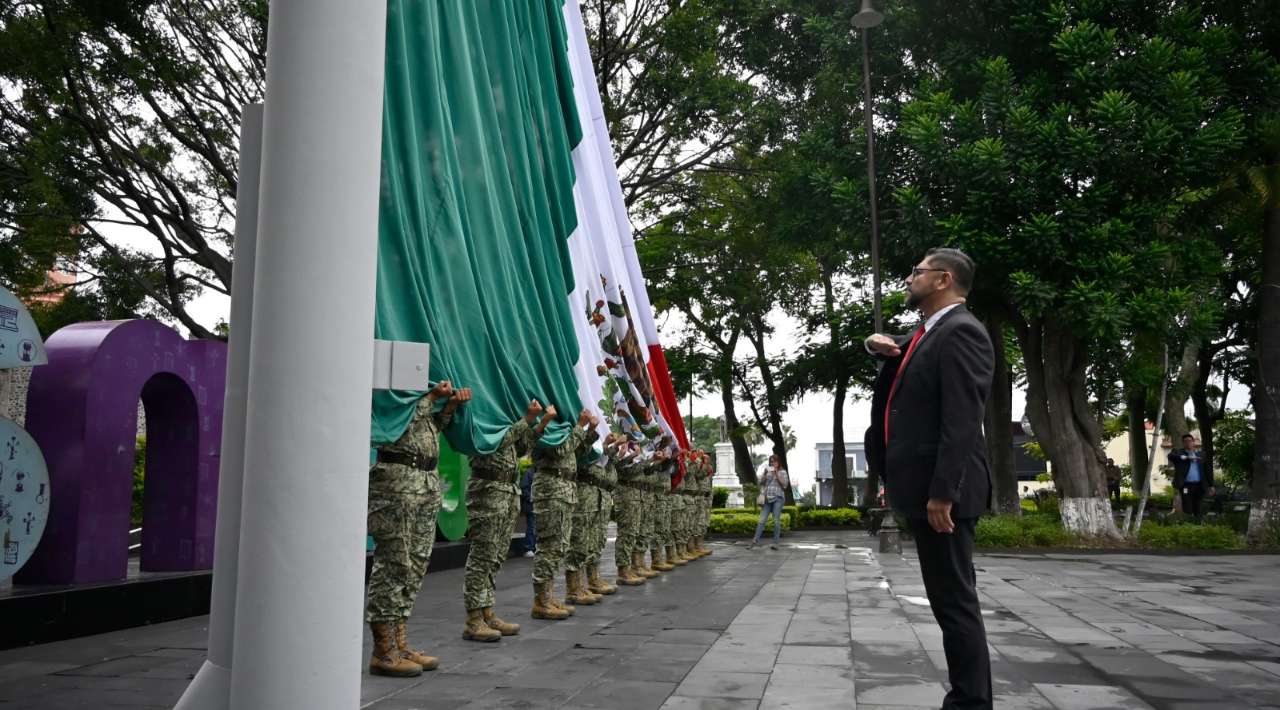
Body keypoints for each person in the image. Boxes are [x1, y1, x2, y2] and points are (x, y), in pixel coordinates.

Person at [864, 247, 994, 710]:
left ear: (942, 280)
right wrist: (874, 346)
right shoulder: (928, 332)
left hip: (944, 495)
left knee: (955, 603)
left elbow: (961, 422)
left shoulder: (960, 333)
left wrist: (943, 493)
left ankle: (970, 703)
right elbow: (901, 353)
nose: (909, 278)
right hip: (925, 489)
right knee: (948, 601)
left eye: (916, 273)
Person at [365, 381, 469, 677]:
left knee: (415, 564)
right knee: (394, 563)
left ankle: (400, 644)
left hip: (424, 482)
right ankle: (383, 651)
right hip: (397, 483)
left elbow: (432, 428)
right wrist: (432, 397)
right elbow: (393, 421)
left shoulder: (422, 394)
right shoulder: (394, 393)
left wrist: (448, 407)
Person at [461, 399, 555, 642]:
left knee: (495, 557)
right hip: (488, 490)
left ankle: (486, 611)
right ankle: (473, 619)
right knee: (483, 556)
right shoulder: (482, 418)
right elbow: (493, 444)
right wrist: (527, 419)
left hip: (506, 491)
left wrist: (540, 424)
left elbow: (521, 445)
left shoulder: (504, 420)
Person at [530, 408, 596, 620]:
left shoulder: (563, 427)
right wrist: (579, 427)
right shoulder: (548, 426)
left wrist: (590, 431)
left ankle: (548, 597)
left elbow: (575, 452)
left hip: (564, 491)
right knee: (550, 546)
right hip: (551, 490)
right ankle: (542, 601)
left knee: (559, 546)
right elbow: (559, 450)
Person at [613, 439, 649, 585]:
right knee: (627, 533)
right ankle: (623, 571)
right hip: (627, 497)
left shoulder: (631, 449)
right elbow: (628, 471)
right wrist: (633, 456)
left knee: (634, 532)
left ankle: (632, 567)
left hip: (635, 496)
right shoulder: (623, 449)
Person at [1169, 434, 1215, 522]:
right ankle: (1188, 524)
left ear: (1193, 442)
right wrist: (1185, 457)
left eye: (1190, 441)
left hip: (1199, 485)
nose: (1188, 443)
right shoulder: (1179, 453)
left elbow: (1207, 470)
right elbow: (1170, 456)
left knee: (1198, 506)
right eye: (1185, 441)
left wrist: (1211, 485)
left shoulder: (1201, 454)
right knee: (1187, 506)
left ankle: (1198, 524)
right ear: (1183, 443)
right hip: (1186, 485)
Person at [749, 455, 788, 550]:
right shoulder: (768, 473)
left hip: (778, 498)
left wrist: (776, 474)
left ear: (778, 462)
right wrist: (764, 475)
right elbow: (761, 483)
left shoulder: (783, 472)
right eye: (771, 462)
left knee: (776, 520)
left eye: (774, 461)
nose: (773, 463)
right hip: (767, 499)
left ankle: (775, 543)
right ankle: (755, 540)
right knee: (762, 520)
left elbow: (784, 485)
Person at [520, 462, 536, 557]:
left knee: (537, 527)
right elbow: (524, 488)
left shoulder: (538, 473)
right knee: (531, 526)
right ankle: (529, 547)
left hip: (538, 505)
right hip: (531, 505)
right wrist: (531, 498)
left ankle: (533, 546)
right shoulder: (529, 472)